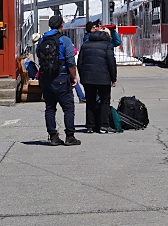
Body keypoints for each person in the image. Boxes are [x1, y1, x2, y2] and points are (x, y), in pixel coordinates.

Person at [37, 16, 81, 146]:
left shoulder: (42, 40)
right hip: (61, 77)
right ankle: (70, 137)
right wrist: (74, 77)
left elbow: (39, 56)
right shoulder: (64, 40)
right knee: (68, 108)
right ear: (62, 24)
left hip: (45, 78)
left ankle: (53, 136)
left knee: (50, 108)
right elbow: (71, 62)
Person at [78, 21, 117, 134]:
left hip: (88, 78)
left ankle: (90, 126)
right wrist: (113, 78)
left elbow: (79, 62)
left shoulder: (85, 45)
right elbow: (111, 63)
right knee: (105, 101)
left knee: (90, 101)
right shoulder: (107, 45)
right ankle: (103, 125)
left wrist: (83, 76)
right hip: (104, 79)